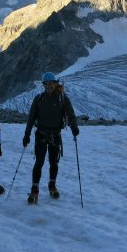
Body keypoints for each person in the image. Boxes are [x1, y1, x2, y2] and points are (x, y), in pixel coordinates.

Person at [22, 72, 79, 204]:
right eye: (46, 84)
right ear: (43, 85)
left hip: (55, 135)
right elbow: (31, 117)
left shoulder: (63, 98)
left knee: (53, 163)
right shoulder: (39, 98)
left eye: (50, 83)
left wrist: (74, 127)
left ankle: (51, 185)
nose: (48, 86)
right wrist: (27, 134)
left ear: (55, 83)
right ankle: (35, 189)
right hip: (41, 134)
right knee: (39, 163)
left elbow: (71, 114)